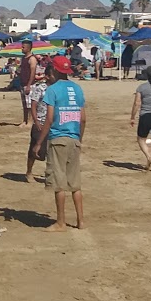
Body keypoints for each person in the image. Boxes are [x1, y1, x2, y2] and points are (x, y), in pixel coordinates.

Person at [34, 56, 87, 230]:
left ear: (55, 71)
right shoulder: (77, 89)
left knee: (59, 183)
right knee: (75, 184)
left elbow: (49, 119)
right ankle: (80, 221)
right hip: (74, 137)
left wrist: (39, 142)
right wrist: (79, 138)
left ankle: (61, 222)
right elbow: (83, 119)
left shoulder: (53, 90)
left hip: (58, 138)